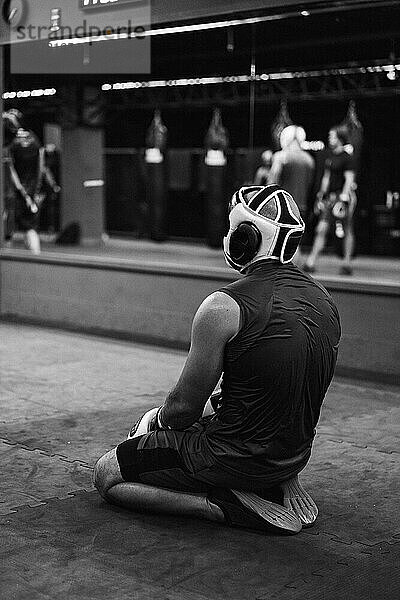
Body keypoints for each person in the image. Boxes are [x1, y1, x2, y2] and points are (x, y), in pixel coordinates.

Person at [94, 184, 341, 535]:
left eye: (232, 230)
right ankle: (278, 480)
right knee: (227, 403)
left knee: (108, 474)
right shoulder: (324, 299)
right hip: (294, 454)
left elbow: (182, 409)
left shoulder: (224, 307)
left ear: (245, 239)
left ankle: (217, 504)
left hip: (233, 458)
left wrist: (150, 424)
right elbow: (287, 389)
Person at [304, 125, 356, 276]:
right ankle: (311, 262)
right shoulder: (330, 157)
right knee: (321, 228)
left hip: (343, 197)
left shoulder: (348, 158)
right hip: (330, 198)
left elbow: (349, 179)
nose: (329, 138)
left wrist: (344, 199)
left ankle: (346, 263)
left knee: (347, 229)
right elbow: (326, 178)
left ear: (340, 138)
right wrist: (321, 194)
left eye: (332, 136)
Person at [7, 128, 60, 254]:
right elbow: (41, 168)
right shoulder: (35, 143)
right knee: (28, 227)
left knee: (20, 228)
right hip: (27, 192)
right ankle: (33, 255)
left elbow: (11, 169)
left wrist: (23, 191)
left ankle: (32, 255)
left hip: (20, 192)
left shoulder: (13, 144)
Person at [268, 125, 315, 265]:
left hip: (282, 205)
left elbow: (272, 181)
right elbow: (311, 184)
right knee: (294, 239)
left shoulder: (280, 156)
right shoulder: (309, 160)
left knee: (282, 241)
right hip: (301, 205)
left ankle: (291, 271)